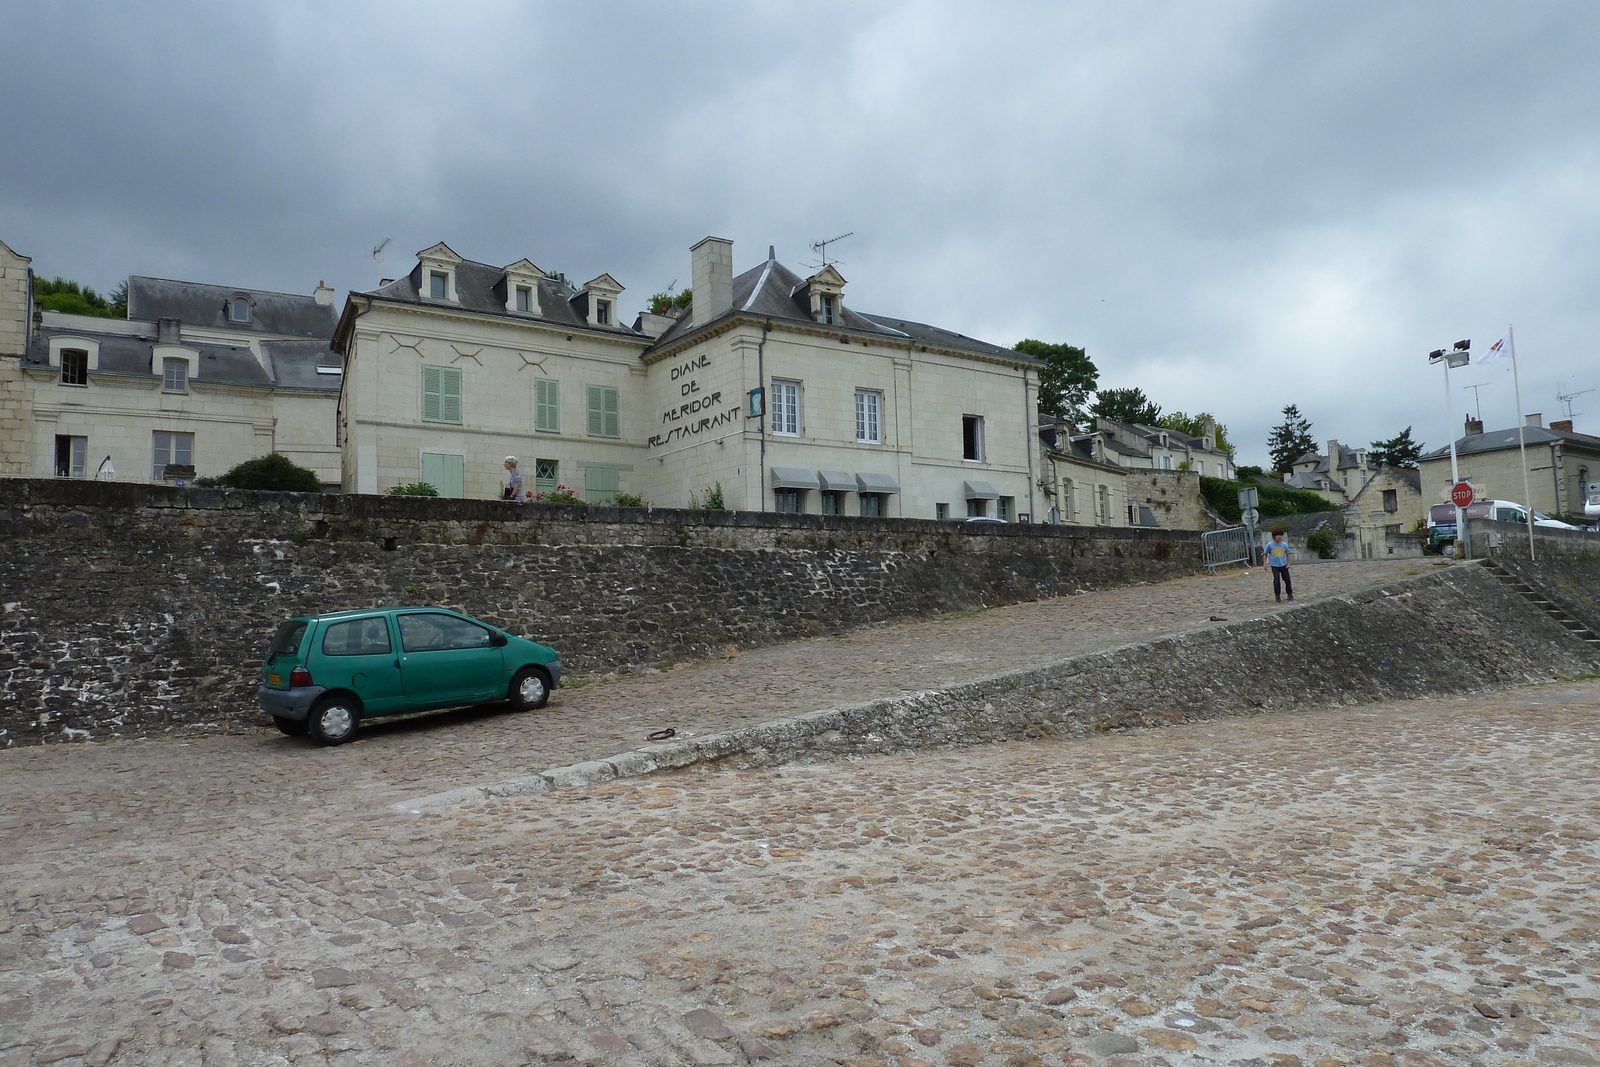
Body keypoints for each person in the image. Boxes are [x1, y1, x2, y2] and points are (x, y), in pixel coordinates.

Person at [1263, 528, 1293, 602]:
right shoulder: (1269, 545)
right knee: (1276, 580)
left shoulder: (1284, 544)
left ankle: (1290, 594)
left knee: (1287, 580)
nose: (1279, 537)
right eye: (1278, 535)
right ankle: (1277, 595)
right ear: (1274, 536)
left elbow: (1288, 554)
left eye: (1281, 535)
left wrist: (1289, 563)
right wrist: (1265, 564)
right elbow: (1265, 554)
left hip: (1283, 565)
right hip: (1274, 565)